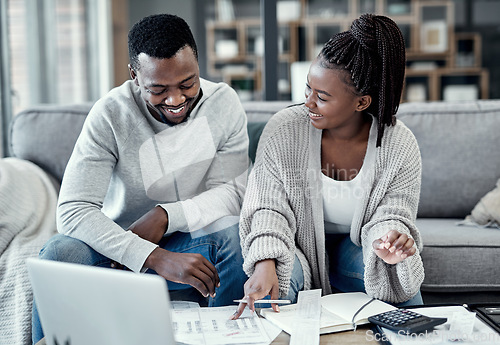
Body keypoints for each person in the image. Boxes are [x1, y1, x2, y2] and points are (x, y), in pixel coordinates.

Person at [32, 13, 249, 343]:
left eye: (187, 84)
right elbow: (73, 210)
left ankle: (232, 336)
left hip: (188, 239)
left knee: (234, 235)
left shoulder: (224, 104)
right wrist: (152, 256)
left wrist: (165, 216)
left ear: (198, 65)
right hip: (116, 248)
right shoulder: (110, 114)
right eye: (158, 89)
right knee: (59, 254)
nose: (175, 100)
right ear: (135, 76)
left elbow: (232, 193)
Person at [232, 13, 424, 319]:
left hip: (357, 248)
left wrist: (390, 242)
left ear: (361, 103)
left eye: (321, 97)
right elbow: (267, 206)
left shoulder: (399, 144)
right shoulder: (285, 129)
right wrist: (264, 260)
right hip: (292, 246)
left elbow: (394, 212)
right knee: (277, 280)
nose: (307, 102)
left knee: (396, 276)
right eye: (308, 88)